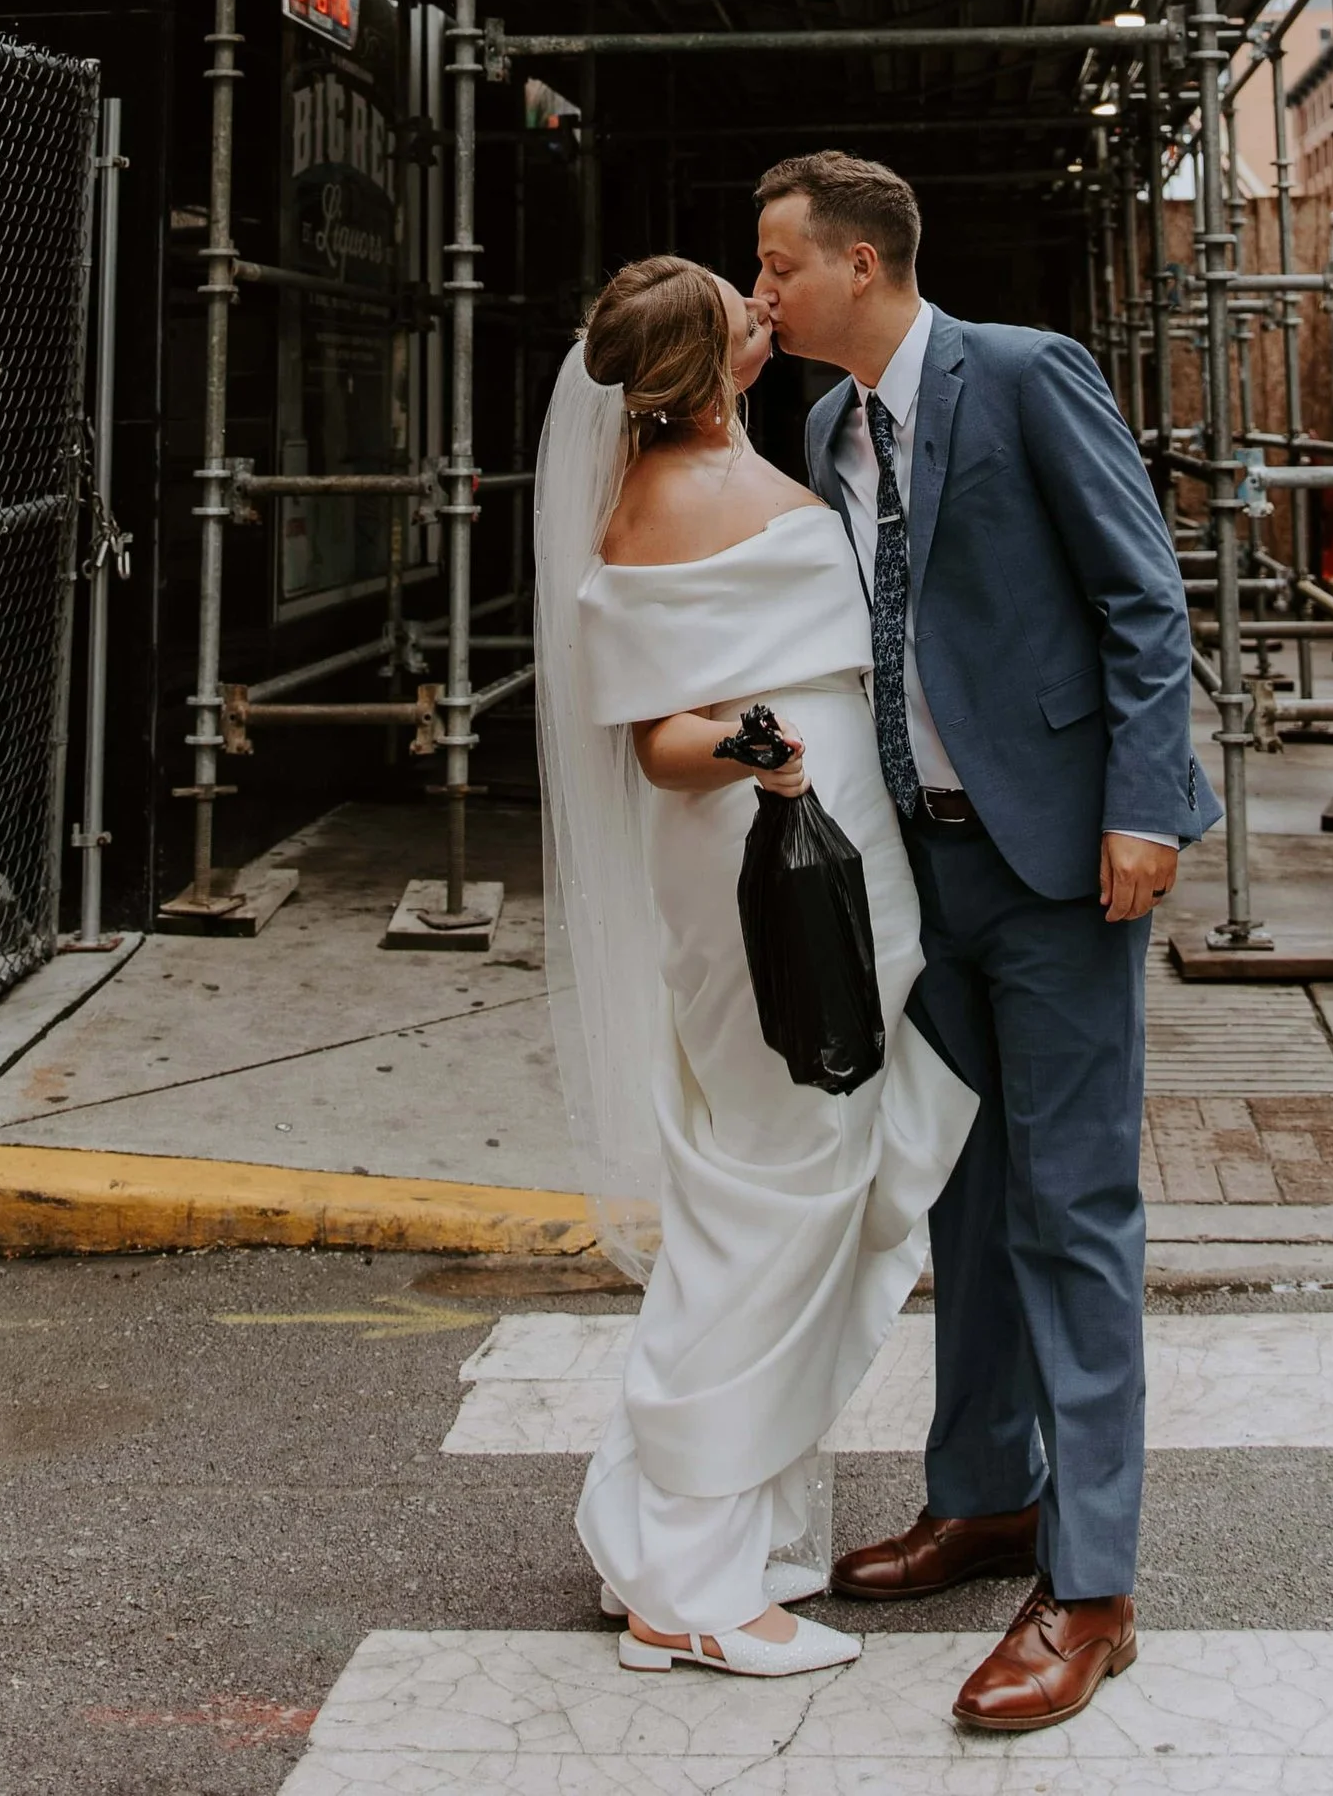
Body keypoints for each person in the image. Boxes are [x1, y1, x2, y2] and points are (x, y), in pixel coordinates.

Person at [755, 150, 1216, 1741]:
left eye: (779, 267)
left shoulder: (1026, 376)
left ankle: (1093, 1587)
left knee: (1076, 1207)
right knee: (965, 1192)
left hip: (1064, 863)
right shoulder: (819, 424)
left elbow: (1143, 600)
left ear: (864, 265)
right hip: (926, 870)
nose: (764, 293)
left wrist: (1144, 809)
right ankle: (988, 1498)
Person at [535, 252, 976, 1684]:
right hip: (766, 873)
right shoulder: (658, 506)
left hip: (819, 851)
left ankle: (681, 1526)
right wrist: (764, 753)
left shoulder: (748, 454)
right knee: (781, 1197)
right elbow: (661, 738)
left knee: (786, 1186)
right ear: (700, 361)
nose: (763, 307)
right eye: (743, 304)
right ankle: (692, 1585)